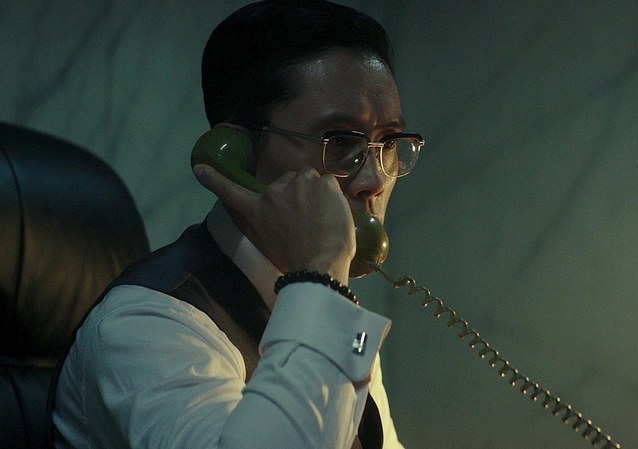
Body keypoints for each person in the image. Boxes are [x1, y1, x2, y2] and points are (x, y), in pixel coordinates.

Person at [51, 1, 423, 448]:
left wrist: (323, 286)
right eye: (340, 142)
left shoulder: (324, 305)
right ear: (237, 155)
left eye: (389, 143)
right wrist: (322, 272)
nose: (373, 181)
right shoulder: (144, 325)